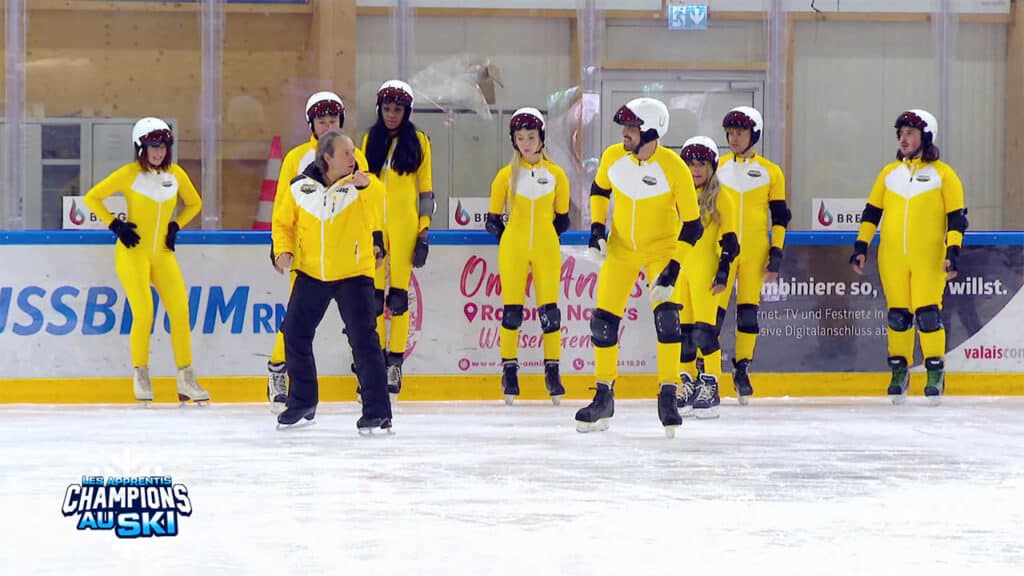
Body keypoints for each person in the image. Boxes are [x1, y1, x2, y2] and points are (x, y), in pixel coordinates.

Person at [575, 97, 703, 437]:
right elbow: (600, 189)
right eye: (624, 126)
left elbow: (693, 225)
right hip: (620, 249)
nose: (625, 133)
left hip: (661, 249)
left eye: (632, 127)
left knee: (667, 318)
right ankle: (603, 396)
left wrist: (674, 268)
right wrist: (597, 230)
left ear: (651, 130)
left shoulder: (674, 168)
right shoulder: (613, 156)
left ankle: (668, 395)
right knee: (602, 322)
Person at [270, 130, 392, 433]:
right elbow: (283, 223)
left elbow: (380, 202)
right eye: (347, 153)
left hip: (354, 274)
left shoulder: (362, 186)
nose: (354, 158)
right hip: (312, 273)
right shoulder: (299, 187)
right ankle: (302, 402)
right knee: (294, 333)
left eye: (353, 152)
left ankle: (378, 412)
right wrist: (282, 250)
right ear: (327, 158)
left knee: (364, 341)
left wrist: (367, 186)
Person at [83, 117, 209, 406]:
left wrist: (176, 225)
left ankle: (186, 378)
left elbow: (195, 203)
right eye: (153, 146)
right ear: (140, 147)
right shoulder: (128, 174)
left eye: (163, 146)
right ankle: (141, 373)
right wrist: (115, 225)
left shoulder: (175, 174)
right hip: (132, 253)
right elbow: (92, 198)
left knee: (180, 311)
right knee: (144, 313)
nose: (159, 152)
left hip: (163, 255)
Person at [850, 109, 966, 405]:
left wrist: (953, 251)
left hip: (929, 258)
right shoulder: (889, 174)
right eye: (900, 134)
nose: (903, 139)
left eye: (910, 133)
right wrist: (861, 246)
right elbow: (871, 213)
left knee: (928, 314)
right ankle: (899, 371)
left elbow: (956, 219)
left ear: (925, 137)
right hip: (892, 257)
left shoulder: (944, 175)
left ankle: (934, 371)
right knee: (898, 316)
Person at [266, 91, 370, 414]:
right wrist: (279, 246)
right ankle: (278, 370)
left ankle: (366, 388)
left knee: (356, 326)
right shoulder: (296, 158)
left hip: (344, 258)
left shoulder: (353, 155)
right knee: (295, 323)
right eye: (321, 120)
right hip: (305, 256)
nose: (327, 125)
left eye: (333, 120)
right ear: (311, 123)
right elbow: (283, 206)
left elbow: (366, 203)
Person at [485, 108, 570, 405]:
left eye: (531, 137)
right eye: (520, 138)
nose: (526, 143)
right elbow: (492, 219)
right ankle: (509, 371)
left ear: (542, 138)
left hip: (546, 246)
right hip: (514, 247)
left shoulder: (557, 174)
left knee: (550, 312)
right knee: (512, 312)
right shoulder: (506, 175)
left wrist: (544, 239)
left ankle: (552, 371)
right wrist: (511, 240)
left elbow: (563, 219)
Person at [362, 80, 435, 401]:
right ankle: (374, 361)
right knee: (374, 298)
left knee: (399, 298)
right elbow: (361, 188)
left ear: (407, 111)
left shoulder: (419, 142)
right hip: (375, 226)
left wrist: (424, 230)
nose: (392, 115)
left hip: (406, 226)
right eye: (387, 109)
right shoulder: (369, 139)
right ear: (380, 110)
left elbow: (426, 190)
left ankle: (395, 362)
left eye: (398, 109)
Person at [715, 106, 790, 405]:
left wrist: (777, 253)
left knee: (748, 313)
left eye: (740, 132)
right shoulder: (717, 168)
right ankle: (704, 368)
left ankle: (742, 367)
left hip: (756, 251)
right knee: (714, 315)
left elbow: (781, 217)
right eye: (730, 133)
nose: (734, 138)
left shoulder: (772, 172)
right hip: (721, 251)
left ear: (754, 134)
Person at [675, 136, 739, 419]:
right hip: (680, 271)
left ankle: (711, 383)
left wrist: (723, 270)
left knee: (705, 331)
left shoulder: (721, 197)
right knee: (684, 333)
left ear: (712, 166)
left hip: (705, 271)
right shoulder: (678, 195)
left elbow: (731, 240)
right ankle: (687, 382)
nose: (695, 170)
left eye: (701, 164)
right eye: (690, 164)